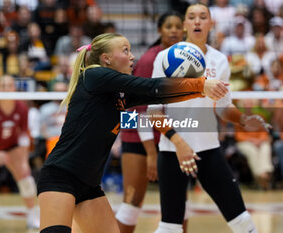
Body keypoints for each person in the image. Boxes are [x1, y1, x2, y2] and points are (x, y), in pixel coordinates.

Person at [36, 32, 229, 233]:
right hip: (60, 176)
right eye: (125, 50)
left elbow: (155, 96)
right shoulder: (93, 76)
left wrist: (201, 91)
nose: (132, 56)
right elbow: (151, 87)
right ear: (106, 58)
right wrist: (200, 84)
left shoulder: (119, 95)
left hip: (89, 185)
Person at [148, 4, 269, 233]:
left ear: (210, 23)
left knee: (242, 221)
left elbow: (223, 108)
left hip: (208, 149)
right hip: (173, 150)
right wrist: (179, 143)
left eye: (203, 17)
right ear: (184, 24)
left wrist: (244, 119)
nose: (197, 21)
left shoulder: (220, 60)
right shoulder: (165, 58)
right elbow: (153, 113)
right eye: (191, 17)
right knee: (170, 226)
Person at [116, 11, 185, 233]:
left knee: (179, 205)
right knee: (132, 202)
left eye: (177, 26)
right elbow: (137, 108)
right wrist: (151, 154)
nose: (174, 30)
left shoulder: (186, 56)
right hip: (137, 131)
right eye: (168, 26)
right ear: (159, 31)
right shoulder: (149, 59)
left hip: (167, 134)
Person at [0, 75, 39, 229]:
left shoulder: (22, 107)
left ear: (14, 88)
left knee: (25, 178)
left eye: (9, 85)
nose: (6, 88)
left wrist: (24, 161)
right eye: (3, 85)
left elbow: (24, 136)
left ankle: (32, 216)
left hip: (12, 146)